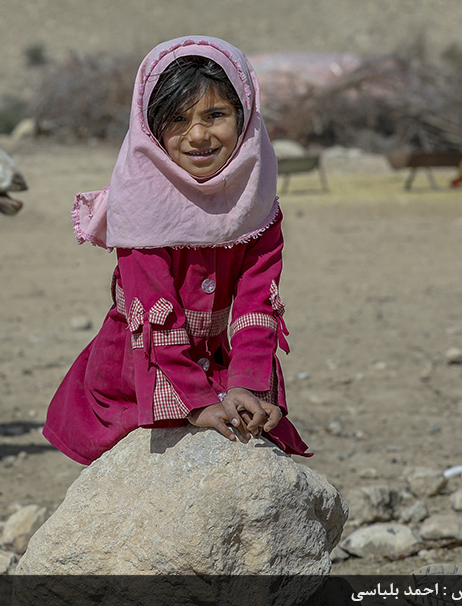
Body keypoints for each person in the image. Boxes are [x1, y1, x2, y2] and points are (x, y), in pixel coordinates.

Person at [43, 36, 311, 465]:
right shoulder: (140, 209)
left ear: (245, 116)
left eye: (216, 114)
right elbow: (155, 319)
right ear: (150, 128)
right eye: (178, 119)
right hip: (138, 371)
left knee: (257, 420)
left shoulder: (255, 206)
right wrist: (197, 403)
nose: (199, 134)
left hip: (220, 365)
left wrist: (245, 384)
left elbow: (255, 306)